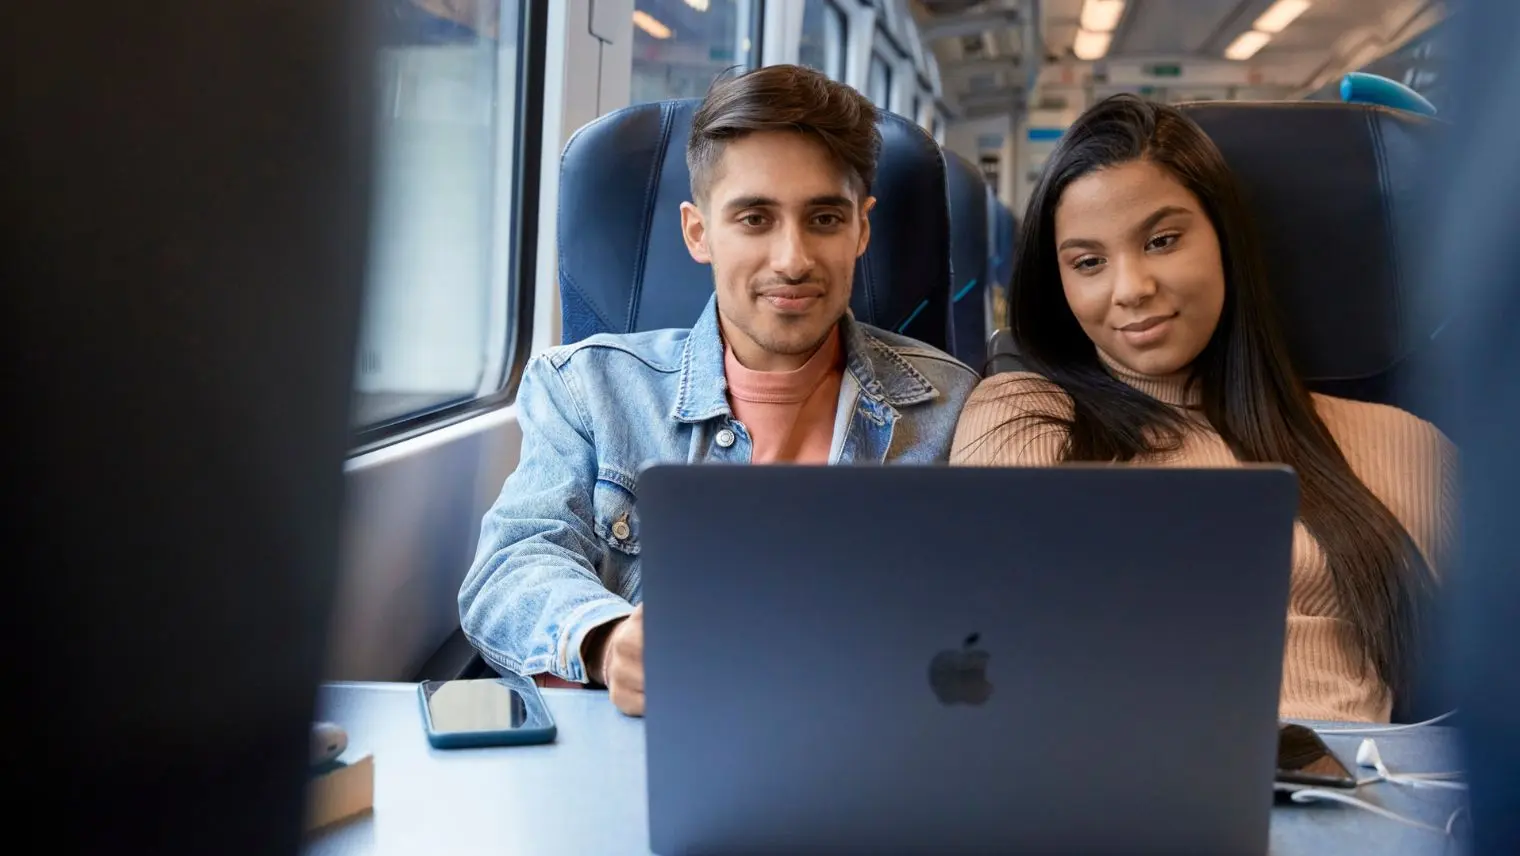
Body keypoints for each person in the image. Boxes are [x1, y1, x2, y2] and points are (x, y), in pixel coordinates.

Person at [459, 65, 978, 717]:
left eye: (823, 218)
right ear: (698, 231)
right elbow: (511, 566)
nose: (792, 258)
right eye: (755, 218)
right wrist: (605, 639)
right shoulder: (590, 389)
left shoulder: (954, 405)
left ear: (861, 230)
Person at [950, 95, 1456, 724]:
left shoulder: (1406, 444)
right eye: (1088, 263)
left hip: (1364, 797)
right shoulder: (1024, 419)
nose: (1131, 288)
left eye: (1162, 241)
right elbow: (998, 647)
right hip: (1117, 791)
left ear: (1224, 241)